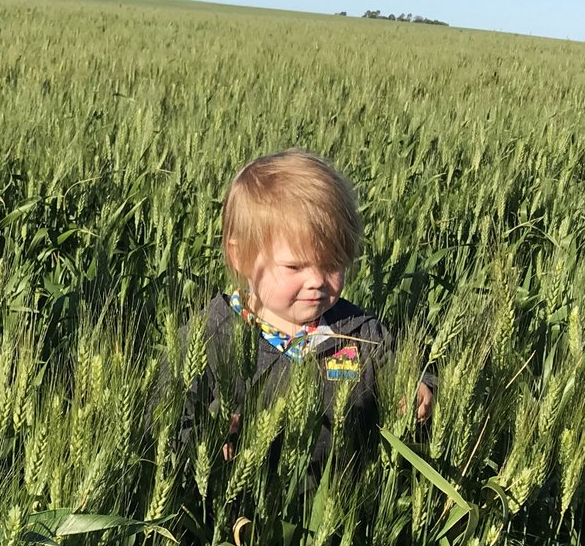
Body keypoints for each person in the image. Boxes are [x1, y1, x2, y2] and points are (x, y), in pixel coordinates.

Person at [180, 148, 433, 481]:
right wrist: (208, 431)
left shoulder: (359, 332)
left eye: (331, 264)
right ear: (240, 256)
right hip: (241, 515)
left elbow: (408, 370)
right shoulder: (210, 334)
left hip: (340, 507)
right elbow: (167, 418)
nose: (316, 280)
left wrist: (421, 390)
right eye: (295, 266)